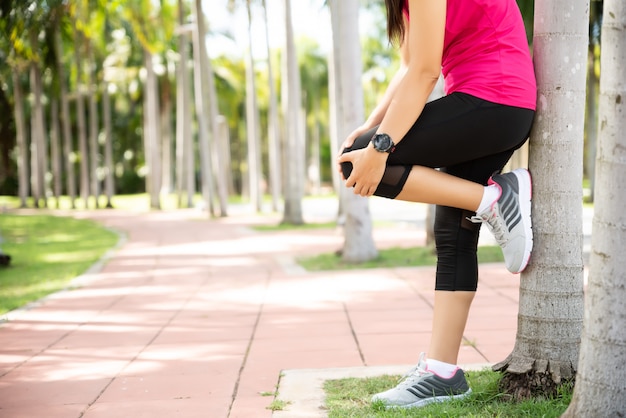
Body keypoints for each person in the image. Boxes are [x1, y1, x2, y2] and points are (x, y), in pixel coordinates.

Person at [337, 0, 536, 409]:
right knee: (453, 231)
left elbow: (426, 72)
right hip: (491, 104)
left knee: (367, 159)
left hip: (493, 100)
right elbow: (410, 66)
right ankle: (442, 373)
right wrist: (371, 125)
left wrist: (378, 144)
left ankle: (494, 198)